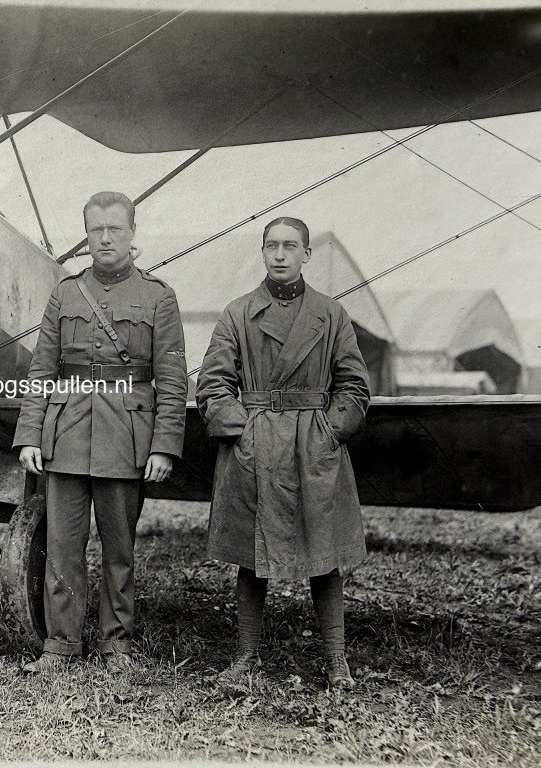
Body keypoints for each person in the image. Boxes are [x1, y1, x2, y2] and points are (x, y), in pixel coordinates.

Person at [13, 191, 188, 674]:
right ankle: (61, 644)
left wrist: (164, 445)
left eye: (115, 229)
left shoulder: (158, 298)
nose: (105, 238)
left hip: (127, 438)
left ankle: (116, 645)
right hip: (66, 434)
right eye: (96, 230)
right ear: (86, 235)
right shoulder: (66, 293)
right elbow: (42, 369)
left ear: (133, 233)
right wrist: (30, 433)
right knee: (63, 550)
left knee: (120, 552)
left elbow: (173, 380)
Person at [195, 216, 370, 691]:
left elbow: (354, 386)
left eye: (290, 247)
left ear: (307, 254)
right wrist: (243, 430)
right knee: (254, 557)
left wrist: (330, 431)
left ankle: (337, 662)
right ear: (263, 252)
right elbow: (212, 383)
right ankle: (247, 657)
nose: (279, 255)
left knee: (324, 555)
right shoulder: (238, 313)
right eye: (271, 245)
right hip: (256, 446)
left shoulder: (331, 315)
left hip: (313, 446)